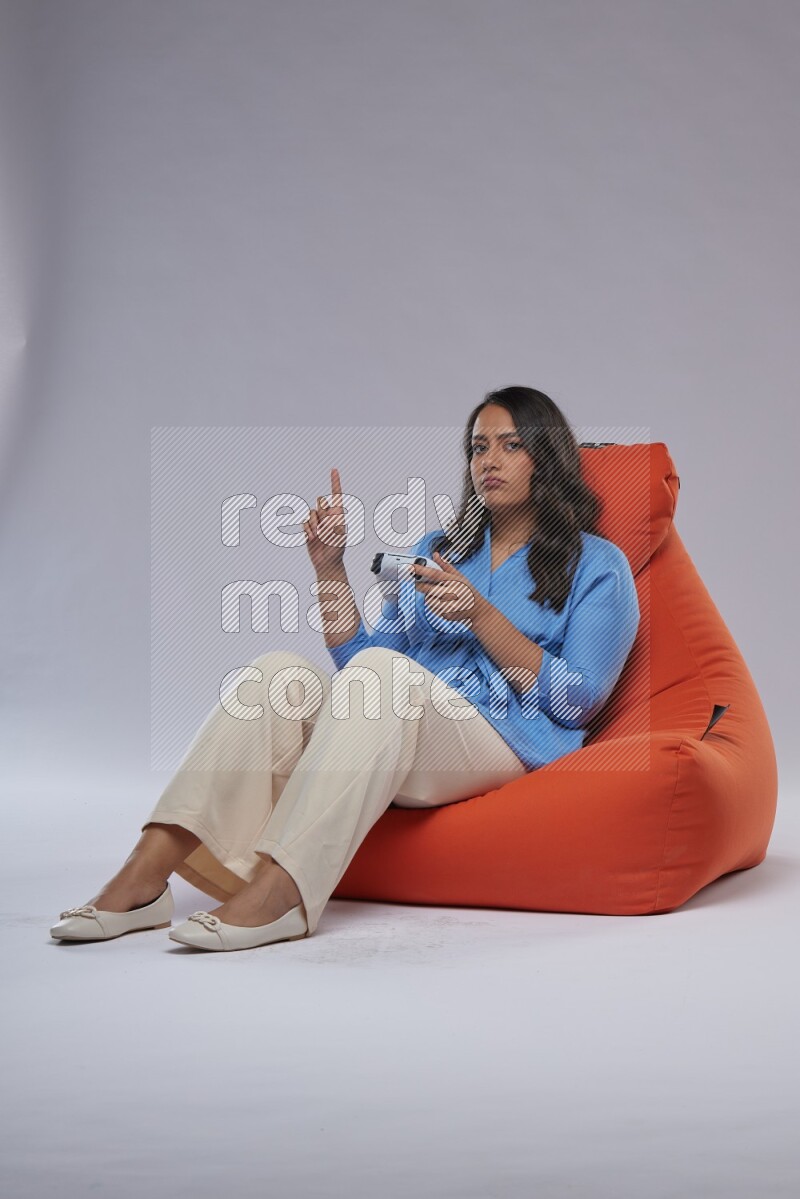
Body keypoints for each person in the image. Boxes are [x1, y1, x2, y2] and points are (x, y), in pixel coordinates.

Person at [50, 386, 640, 952]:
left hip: (505, 740)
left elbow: (579, 701)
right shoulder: (441, 547)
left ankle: (283, 894)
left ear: (549, 457)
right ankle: (147, 873)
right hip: (403, 723)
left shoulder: (597, 564)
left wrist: (484, 617)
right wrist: (330, 568)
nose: (490, 460)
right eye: (479, 447)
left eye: (511, 445)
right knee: (275, 674)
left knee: (387, 675)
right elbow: (362, 666)